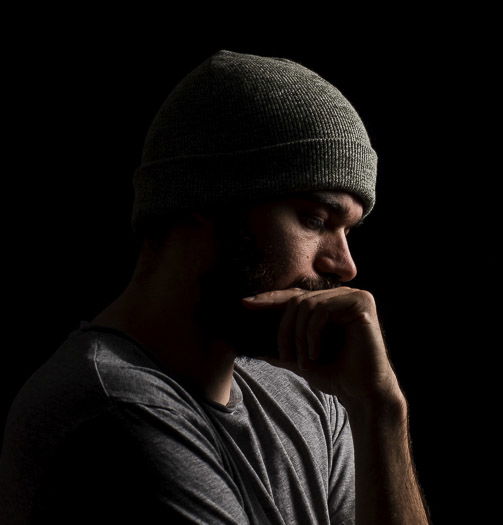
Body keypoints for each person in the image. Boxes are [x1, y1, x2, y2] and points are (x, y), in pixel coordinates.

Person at [0, 50, 431, 524]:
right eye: (313, 219)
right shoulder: (119, 412)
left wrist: (381, 411)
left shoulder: (307, 397)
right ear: (205, 198)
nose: (344, 265)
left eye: (348, 231)